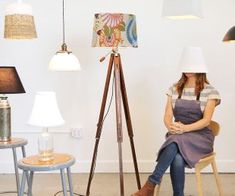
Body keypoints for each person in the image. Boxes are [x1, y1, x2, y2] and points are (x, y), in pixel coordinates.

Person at [131, 47, 221, 196]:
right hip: (178, 133)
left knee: (175, 141)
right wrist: (171, 126)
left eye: (192, 65)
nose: (188, 69)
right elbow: (167, 115)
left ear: (200, 68)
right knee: (177, 155)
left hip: (200, 137)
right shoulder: (174, 88)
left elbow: (206, 121)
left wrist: (184, 129)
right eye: (186, 65)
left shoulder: (210, 91)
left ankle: (150, 185)